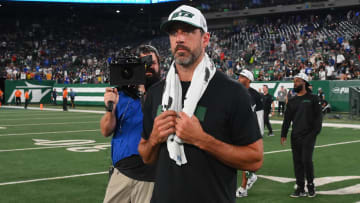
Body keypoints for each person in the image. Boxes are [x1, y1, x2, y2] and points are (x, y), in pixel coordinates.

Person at [138, 5, 263, 203]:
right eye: (173, 33)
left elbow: (255, 159)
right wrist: (154, 138)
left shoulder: (233, 92)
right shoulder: (155, 93)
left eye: (187, 31)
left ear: (205, 39)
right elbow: (146, 156)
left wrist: (202, 140)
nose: (179, 38)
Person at [100, 44, 161, 203]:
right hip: (121, 173)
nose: (148, 67)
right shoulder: (121, 95)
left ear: (160, 66)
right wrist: (110, 108)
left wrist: (142, 90)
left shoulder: (165, 93)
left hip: (150, 176)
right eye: (143, 64)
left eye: (152, 63)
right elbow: (106, 130)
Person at [280, 73, 322, 198]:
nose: (295, 83)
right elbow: (287, 119)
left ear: (304, 82)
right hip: (295, 136)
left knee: (306, 160)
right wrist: (283, 134)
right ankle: (300, 187)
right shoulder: (292, 101)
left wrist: (314, 133)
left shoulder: (313, 98)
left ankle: (310, 185)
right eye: (294, 81)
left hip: (309, 135)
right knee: (297, 162)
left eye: (297, 81)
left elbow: (318, 118)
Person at [236, 69, 264, 198]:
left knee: (244, 158)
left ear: (248, 80)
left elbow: (260, 115)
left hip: (249, 131)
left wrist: (259, 133)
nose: (238, 79)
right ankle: (251, 176)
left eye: (241, 77)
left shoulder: (256, 96)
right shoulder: (234, 92)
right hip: (236, 129)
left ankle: (243, 187)